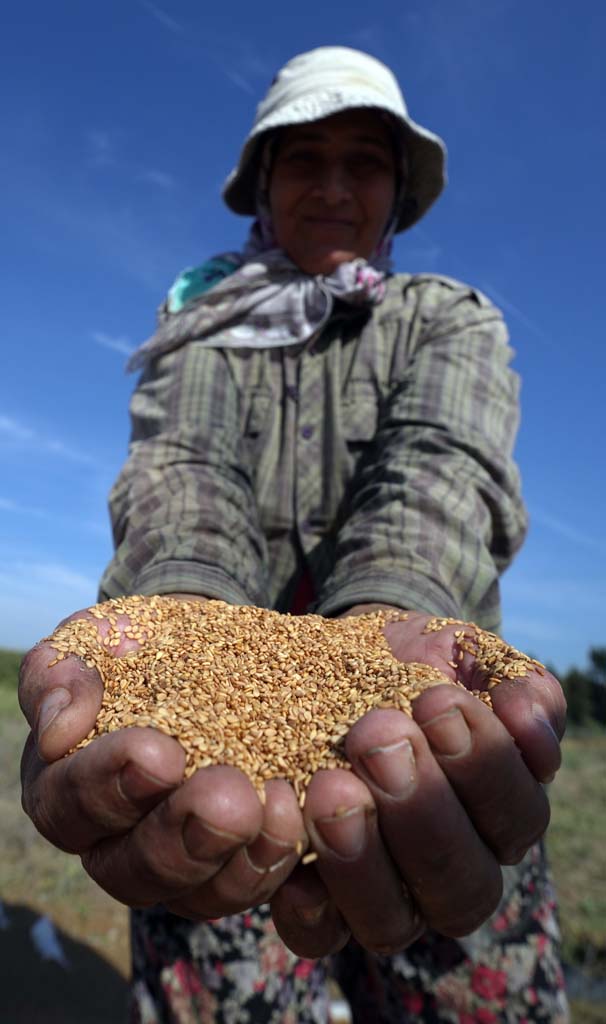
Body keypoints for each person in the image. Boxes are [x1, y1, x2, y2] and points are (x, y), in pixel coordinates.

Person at [19, 46, 569, 1023]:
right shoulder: (202, 325)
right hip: (220, 776)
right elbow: (184, 474)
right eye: (302, 160)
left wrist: (380, 632)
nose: (332, 186)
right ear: (261, 186)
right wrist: (181, 618)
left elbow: (438, 472)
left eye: (364, 162)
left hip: (434, 753)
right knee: (217, 945)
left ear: (398, 193)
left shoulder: (448, 322)